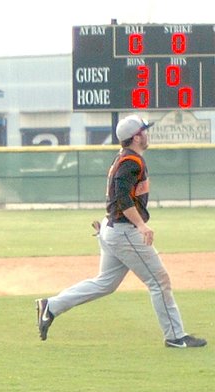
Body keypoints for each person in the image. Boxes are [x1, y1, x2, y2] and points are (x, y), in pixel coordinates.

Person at [35, 114, 206, 349]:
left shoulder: (125, 158)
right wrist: (141, 225)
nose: (147, 134)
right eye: (144, 131)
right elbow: (122, 198)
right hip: (124, 231)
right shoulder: (130, 162)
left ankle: (51, 306)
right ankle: (175, 337)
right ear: (136, 137)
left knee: (105, 283)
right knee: (159, 281)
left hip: (113, 228)